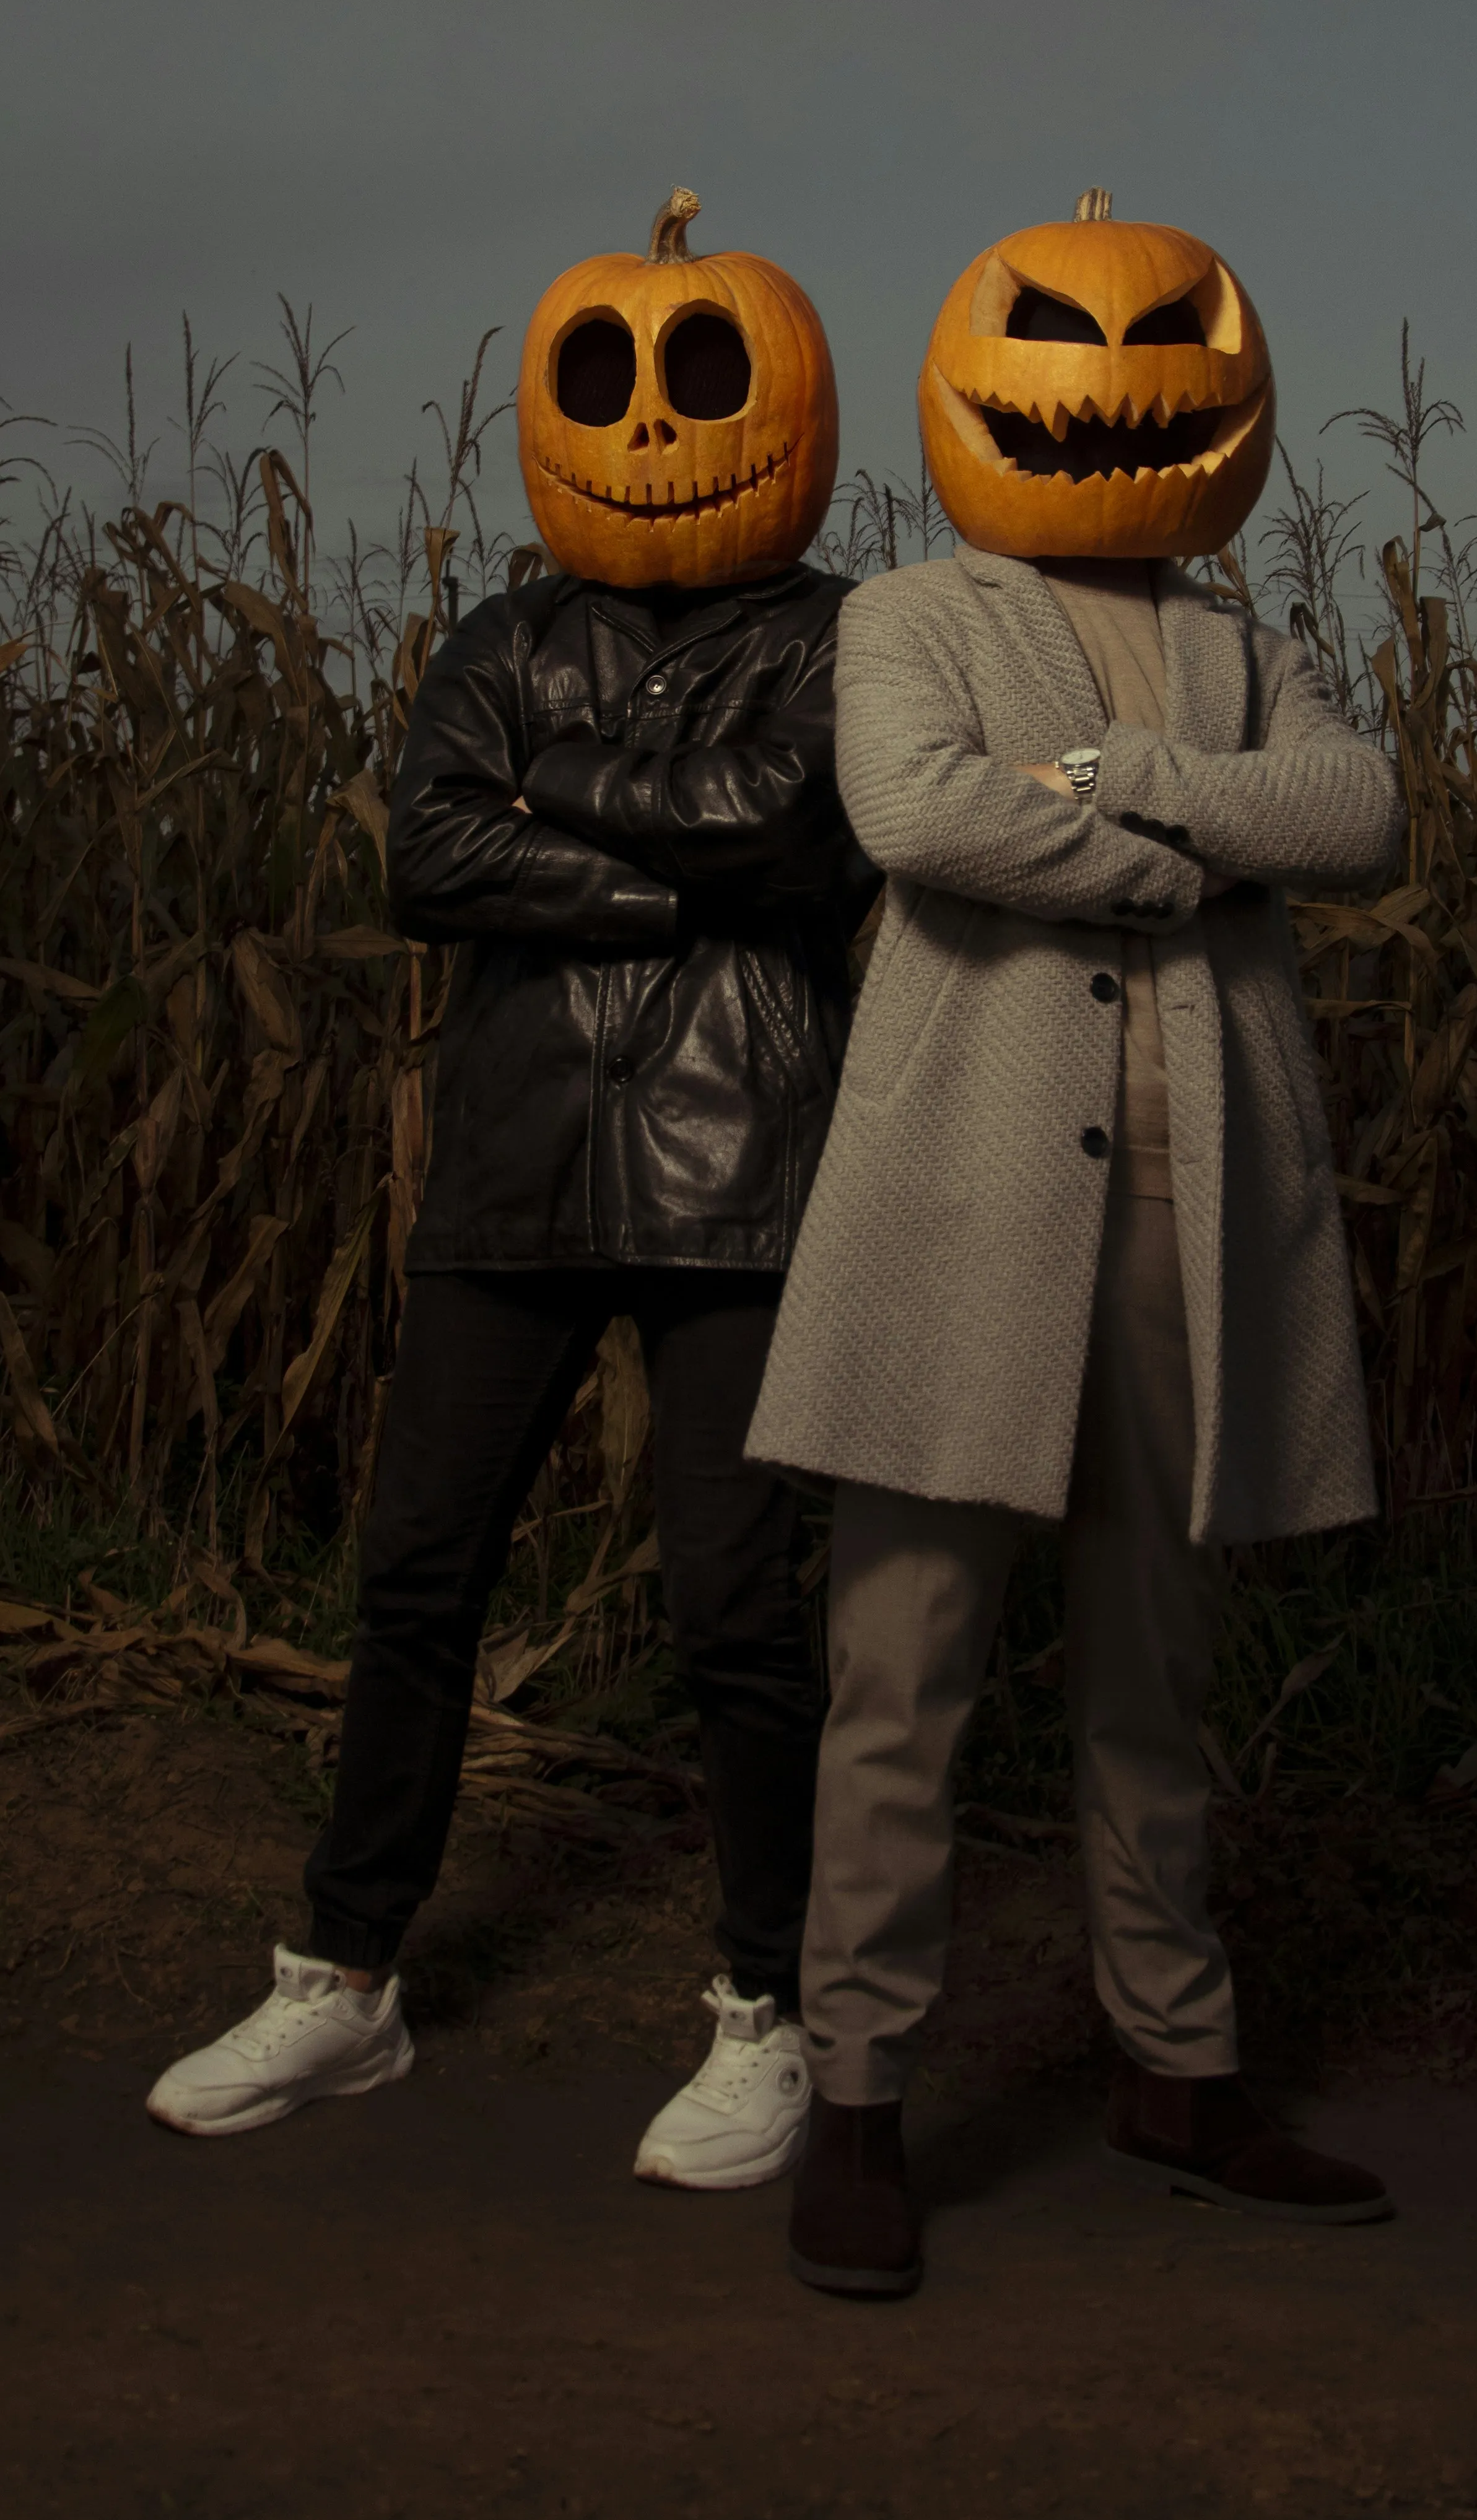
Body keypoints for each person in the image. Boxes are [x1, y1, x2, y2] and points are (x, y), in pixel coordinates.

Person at [150, 194, 867, 2188]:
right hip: (518, 1160)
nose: (654, 427)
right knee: (418, 1574)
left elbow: (793, 826)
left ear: (782, 411)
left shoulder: (838, 635)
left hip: (743, 1168)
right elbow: (424, 860)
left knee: (737, 1607)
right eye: (607, 382)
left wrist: (556, 800)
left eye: (702, 378)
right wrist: (659, 883)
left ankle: (770, 2012)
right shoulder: (499, 634)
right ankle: (346, 1981)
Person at [749, 193, 1404, 2295]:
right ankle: (856, 2103)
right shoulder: (911, 615)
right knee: (904, 1671)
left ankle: (1176, 2068)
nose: (1119, 384)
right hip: (959, 1211)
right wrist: (1191, 851)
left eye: (1171, 349)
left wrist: (1125, 780)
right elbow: (921, 813)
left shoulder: (1250, 643)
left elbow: (1362, 816)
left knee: (1156, 1668)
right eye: (1057, 341)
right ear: (978, 386)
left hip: (1195, 1223)